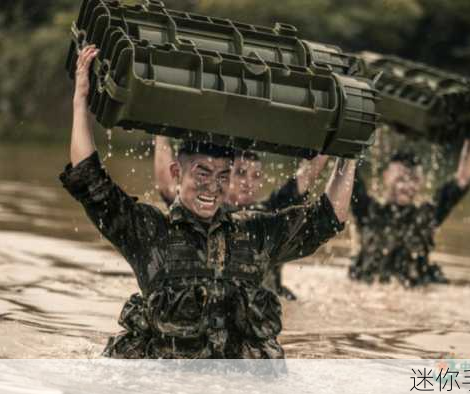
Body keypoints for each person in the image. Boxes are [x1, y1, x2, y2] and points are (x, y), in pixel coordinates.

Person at [60, 44, 357, 358]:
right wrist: (80, 100)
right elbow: (90, 180)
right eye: (202, 172)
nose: (213, 187)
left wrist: (347, 155)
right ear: (177, 172)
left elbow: (328, 219)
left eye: (223, 175)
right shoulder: (150, 232)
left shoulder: (254, 234)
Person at [154, 135, 329, 301]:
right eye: (241, 173)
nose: (248, 183)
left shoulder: (269, 214)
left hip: (267, 297)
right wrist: (161, 134)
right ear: (225, 174)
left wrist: (338, 141)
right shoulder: (200, 210)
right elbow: (167, 187)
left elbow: (308, 174)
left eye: (256, 176)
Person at [349, 138, 470, 287]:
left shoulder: (427, 216)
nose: (406, 186)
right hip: (368, 291)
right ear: (385, 176)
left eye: (413, 179)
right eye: (400, 179)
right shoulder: (366, 211)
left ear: (421, 182)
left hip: (414, 292)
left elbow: (462, 180)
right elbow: (349, 173)